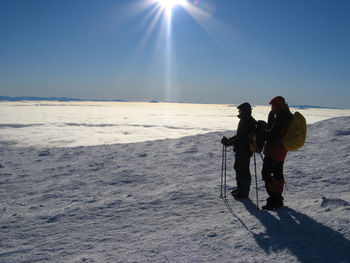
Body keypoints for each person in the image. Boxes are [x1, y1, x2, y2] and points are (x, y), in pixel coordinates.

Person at [262, 96, 293, 210]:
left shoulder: (282, 117)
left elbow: (273, 134)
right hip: (281, 150)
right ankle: (277, 199)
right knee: (277, 174)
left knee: (267, 174)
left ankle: (274, 200)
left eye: (273, 106)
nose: (272, 108)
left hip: (274, 150)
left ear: (278, 105)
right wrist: (271, 117)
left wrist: (263, 133)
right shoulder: (286, 115)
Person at [221, 102, 256, 199]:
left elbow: (241, 138)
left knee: (243, 170)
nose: (239, 111)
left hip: (244, 150)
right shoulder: (246, 120)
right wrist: (229, 141)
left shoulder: (247, 121)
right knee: (239, 168)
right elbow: (239, 136)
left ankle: (244, 191)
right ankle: (241, 189)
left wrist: (229, 142)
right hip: (242, 149)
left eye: (240, 110)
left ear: (244, 111)